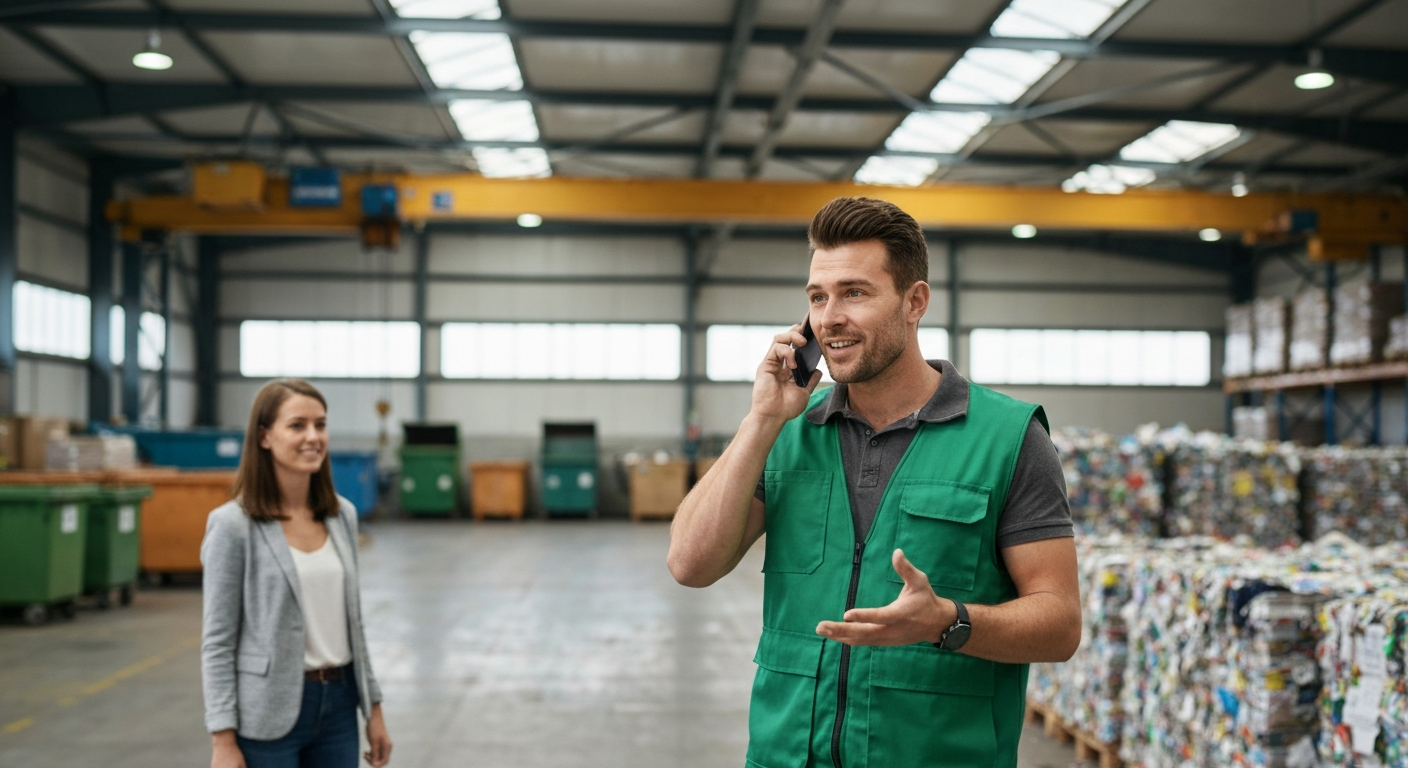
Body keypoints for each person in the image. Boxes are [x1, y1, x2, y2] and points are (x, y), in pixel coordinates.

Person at [667, 197, 1081, 768]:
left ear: (914, 302)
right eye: (818, 297)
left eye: (854, 293)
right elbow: (691, 564)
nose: (828, 317)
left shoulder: (1007, 437)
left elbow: (1059, 623)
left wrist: (949, 622)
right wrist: (761, 420)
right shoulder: (784, 433)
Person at [201, 379, 392, 768]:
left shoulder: (342, 516)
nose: (312, 437)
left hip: (339, 708)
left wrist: (373, 709)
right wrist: (222, 739)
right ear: (265, 437)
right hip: (268, 714)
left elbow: (354, 626)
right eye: (297, 425)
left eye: (320, 425)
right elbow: (218, 642)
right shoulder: (233, 525)